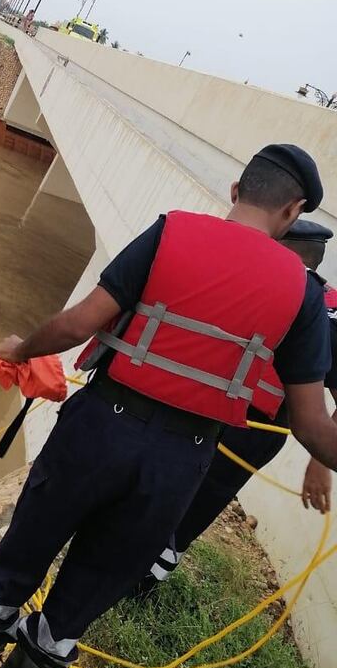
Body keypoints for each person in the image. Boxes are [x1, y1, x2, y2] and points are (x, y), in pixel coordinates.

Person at [0, 144, 337, 668]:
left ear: (235, 189)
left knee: (20, 558)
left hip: (99, 431)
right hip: (179, 464)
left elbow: (78, 323)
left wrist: (21, 348)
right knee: (84, 594)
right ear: (294, 209)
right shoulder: (304, 297)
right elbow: (312, 425)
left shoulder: (172, 232)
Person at [137, 219, 336, 593]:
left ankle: (143, 573)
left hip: (246, 424)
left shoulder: (305, 302)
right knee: (192, 495)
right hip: (231, 414)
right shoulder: (318, 301)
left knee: (192, 494)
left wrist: (320, 460)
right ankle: (140, 564)